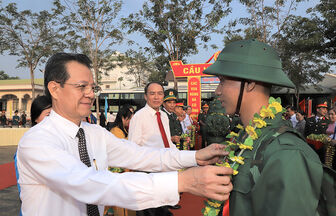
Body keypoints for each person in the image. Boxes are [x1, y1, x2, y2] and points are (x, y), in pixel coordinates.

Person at [17, 53, 233, 216]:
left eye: (93, 87)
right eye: (81, 86)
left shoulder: (94, 133)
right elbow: (91, 184)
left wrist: (195, 157)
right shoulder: (37, 142)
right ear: (54, 89)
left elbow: (143, 154)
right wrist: (182, 181)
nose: (90, 94)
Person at [204, 39, 324, 215]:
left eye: (222, 81)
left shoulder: (286, 152)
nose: (217, 91)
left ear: (250, 83)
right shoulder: (247, 138)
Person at [128, 83, 185, 215]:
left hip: (164, 170)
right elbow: (133, 146)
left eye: (159, 93)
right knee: (148, 211)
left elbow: (166, 143)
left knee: (162, 209)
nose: (156, 97)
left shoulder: (164, 116)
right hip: (147, 172)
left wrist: (182, 158)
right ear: (145, 96)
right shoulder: (139, 116)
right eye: (152, 93)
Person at [105, 106, 135, 216]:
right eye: (130, 119)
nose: (131, 122)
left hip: (125, 168)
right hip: (118, 170)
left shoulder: (124, 130)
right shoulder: (116, 131)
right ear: (123, 118)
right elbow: (123, 149)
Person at [304, 97, 330, 162]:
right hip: (309, 148)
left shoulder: (328, 122)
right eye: (323, 108)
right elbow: (305, 133)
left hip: (322, 149)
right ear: (318, 110)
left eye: (326, 109)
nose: (325, 111)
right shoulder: (309, 120)